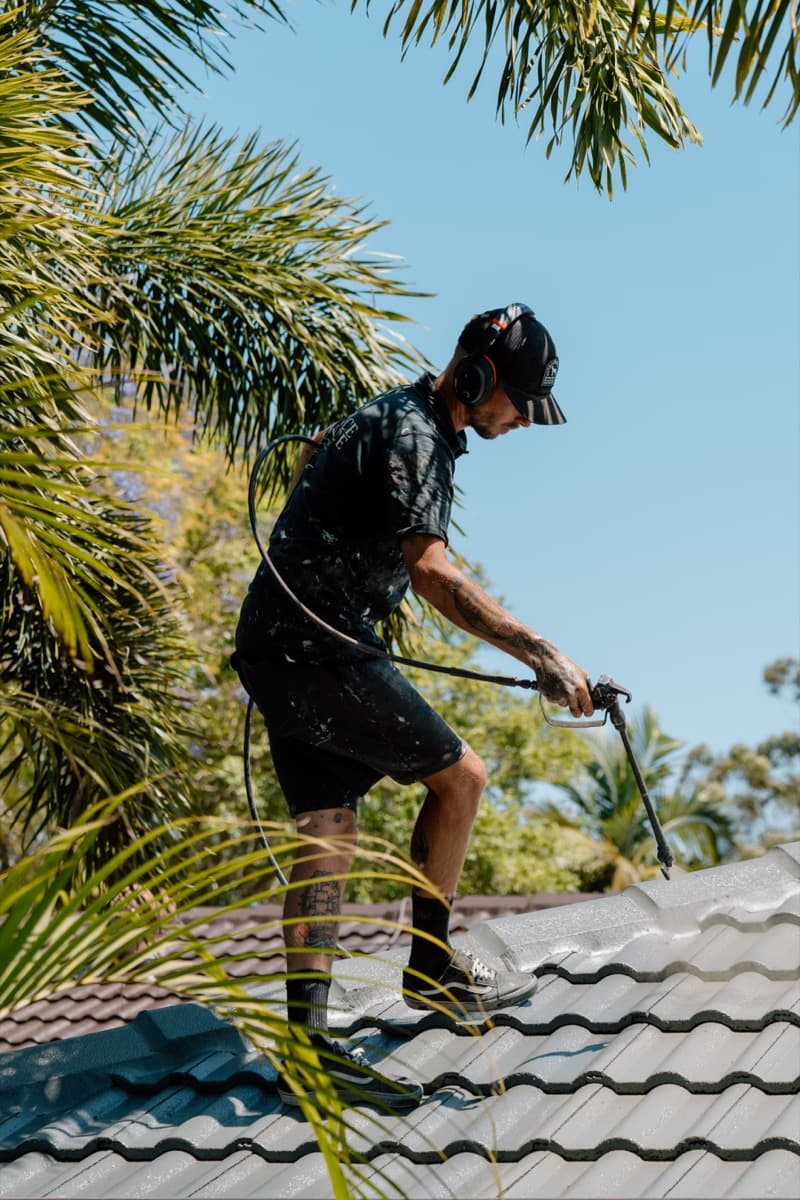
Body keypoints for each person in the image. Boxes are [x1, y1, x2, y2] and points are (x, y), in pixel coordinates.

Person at [234, 302, 594, 1108]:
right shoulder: (417, 433)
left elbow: (319, 477)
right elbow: (432, 572)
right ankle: (429, 975)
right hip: (315, 646)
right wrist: (543, 654)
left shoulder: (398, 417)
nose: (523, 424)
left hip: (280, 645)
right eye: (521, 405)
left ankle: (309, 1046)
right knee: (463, 777)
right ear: (478, 377)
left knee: (328, 827)